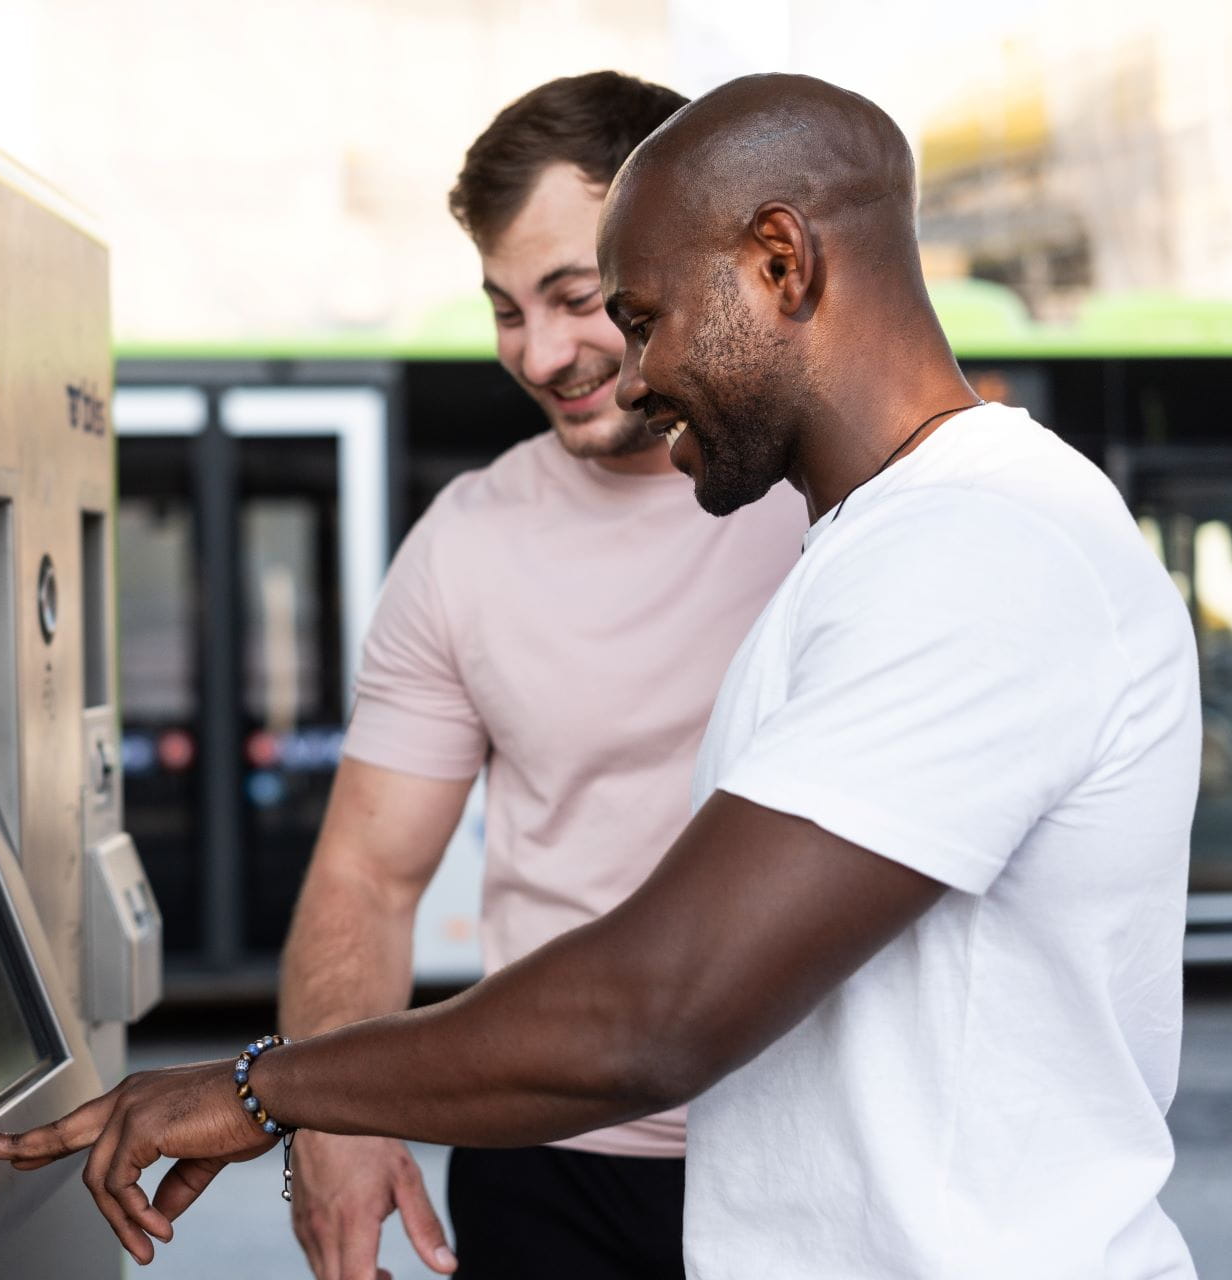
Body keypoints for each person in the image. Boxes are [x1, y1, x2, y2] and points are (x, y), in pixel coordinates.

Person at [0, 73, 1202, 1280]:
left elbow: (653, 1012)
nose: (624, 366)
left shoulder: (979, 552)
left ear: (783, 262)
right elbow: (399, 885)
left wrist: (263, 1087)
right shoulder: (879, 542)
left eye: (639, 313)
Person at [271, 70, 804, 1280]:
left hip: (813, 1148)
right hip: (547, 1161)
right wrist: (335, 1110)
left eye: (576, 297)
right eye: (506, 309)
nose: (542, 351)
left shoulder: (833, 498)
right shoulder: (466, 540)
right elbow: (367, 867)